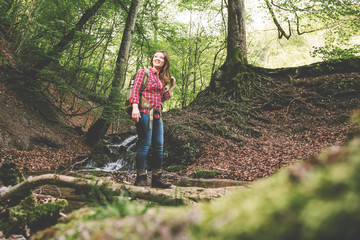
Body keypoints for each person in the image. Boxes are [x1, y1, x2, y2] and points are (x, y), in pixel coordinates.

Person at [128, 50, 176, 188]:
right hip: (143, 112)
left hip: (157, 114)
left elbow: (162, 98)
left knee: (159, 146)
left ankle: (156, 178)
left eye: (161, 58)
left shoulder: (161, 79)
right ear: (152, 59)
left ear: (165, 62)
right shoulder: (144, 73)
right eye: (156, 57)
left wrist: (171, 87)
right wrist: (135, 108)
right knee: (144, 144)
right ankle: (141, 178)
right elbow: (135, 90)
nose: (158, 59)